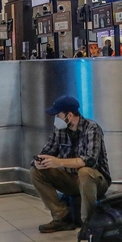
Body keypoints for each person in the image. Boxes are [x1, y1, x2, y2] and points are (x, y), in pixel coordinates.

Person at [31, 96, 111, 233]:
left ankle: (88, 223)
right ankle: (62, 217)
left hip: (96, 182)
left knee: (84, 171)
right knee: (35, 171)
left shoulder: (92, 128)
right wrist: (38, 162)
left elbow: (90, 160)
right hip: (71, 179)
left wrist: (58, 162)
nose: (56, 119)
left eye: (58, 115)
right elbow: (47, 151)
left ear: (69, 115)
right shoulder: (59, 130)